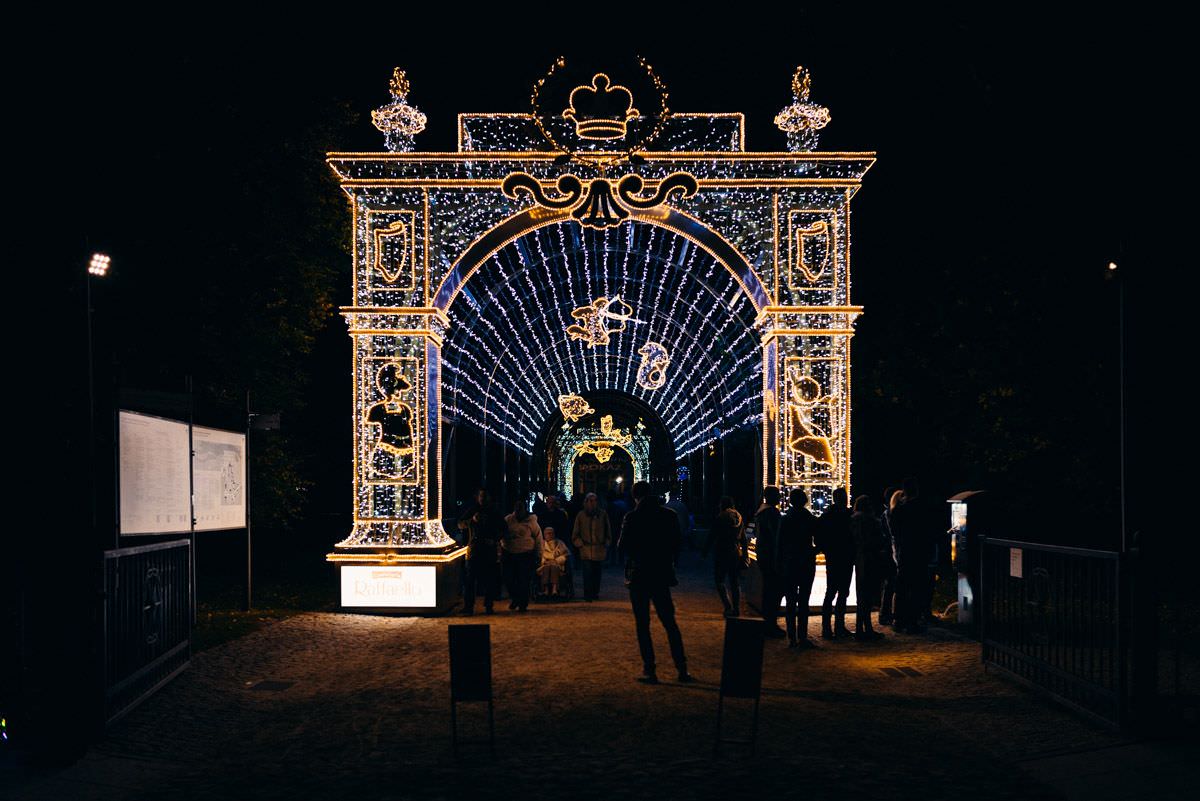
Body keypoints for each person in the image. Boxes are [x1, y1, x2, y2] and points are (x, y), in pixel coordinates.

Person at [618, 481, 694, 684]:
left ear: (635, 496)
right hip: (661, 574)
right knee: (670, 622)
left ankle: (650, 669)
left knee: (643, 625)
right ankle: (682, 668)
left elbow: (622, 546)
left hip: (640, 575)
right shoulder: (668, 515)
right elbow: (677, 543)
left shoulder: (632, 517)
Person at [890, 477, 936, 633]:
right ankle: (912, 621)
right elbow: (929, 531)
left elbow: (894, 531)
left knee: (902, 587)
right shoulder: (920, 508)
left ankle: (898, 620)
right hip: (919, 552)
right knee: (916, 587)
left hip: (904, 551)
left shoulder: (899, 509)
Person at [778, 488, 819, 648]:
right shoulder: (810, 518)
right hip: (806, 562)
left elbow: (779, 543)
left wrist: (779, 562)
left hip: (790, 563)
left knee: (790, 602)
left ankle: (791, 637)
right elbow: (820, 539)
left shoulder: (786, 518)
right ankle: (802, 636)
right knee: (804, 601)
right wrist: (814, 551)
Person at [457, 490, 503, 615]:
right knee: (470, 580)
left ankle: (488, 605)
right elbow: (460, 524)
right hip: (475, 548)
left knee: (488, 579)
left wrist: (494, 540)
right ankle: (470, 606)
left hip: (486, 549)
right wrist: (471, 520)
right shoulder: (472, 510)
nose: (482, 498)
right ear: (477, 497)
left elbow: (503, 528)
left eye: (484, 496)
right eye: (481, 496)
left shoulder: (494, 511)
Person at [817, 487, 854, 639]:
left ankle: (828, 628)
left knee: (832, 592)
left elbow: (819, 537)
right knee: (841, 592)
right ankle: (838, 627)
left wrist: (825, 549)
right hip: (844, 557)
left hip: (834, 557)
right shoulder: (848, 515)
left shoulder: (827, 515)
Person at [703, 496, 747, 617]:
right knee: (735, 581)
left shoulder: (720, 517)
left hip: (722, 552)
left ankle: (728, 606)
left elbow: (712, 535)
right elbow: (743, 539)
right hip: (736, 552)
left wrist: (705, 551)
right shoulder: (739, 517)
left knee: (719, 580)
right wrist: (745, 555)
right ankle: (737, 608)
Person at [851, 494, 885, 639]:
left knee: (861, 594)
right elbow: (879, 540)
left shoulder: (853, 519)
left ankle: (860, 629)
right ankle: (868, 628)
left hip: (859, 558)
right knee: (868, 594)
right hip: (871, 558)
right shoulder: (872, 521)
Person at [754, 487, 786, 638]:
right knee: (774, 592)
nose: (780, 497)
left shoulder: (761, 511)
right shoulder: (772, 513)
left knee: (769, 590)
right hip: (771, 558)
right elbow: (777, 537)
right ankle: (770, 624)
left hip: (764, 556)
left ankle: (768, 623)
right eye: (778, 495)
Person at [571, 492, 612, 601]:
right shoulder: (581, 515)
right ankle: (588, 594)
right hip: (586, 548)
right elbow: (575, 533)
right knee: (587, 573)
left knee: (597, 573)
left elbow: (608, 530)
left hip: (599, 548)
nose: (592, 503)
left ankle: (595, 592)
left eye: (594, 501)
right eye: (589, 500)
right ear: (586, 502)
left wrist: (607, 542)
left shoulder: (602, 514)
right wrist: (579, 543)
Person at [503, 500, 541, 612]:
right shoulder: (508, 520)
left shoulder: (531, 522)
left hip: (525, 554)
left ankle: (522, 603)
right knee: (509, 579)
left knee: (523, 580)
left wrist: (539, 554)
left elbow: (538, 538)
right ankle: (515, 598)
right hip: (509, 553)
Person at [878, 487, 903, 626]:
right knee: (891, 583)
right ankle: (887, 613)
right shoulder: (889, 514)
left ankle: (886, 613)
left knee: (890, 583)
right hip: (891, 552)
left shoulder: (887, 514)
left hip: (889, 551)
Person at [537, 527, 570, 598]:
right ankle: (545, 590)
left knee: (554, 567)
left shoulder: (560, 543)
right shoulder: (542, 544)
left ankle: (554, 589)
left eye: (550, 533)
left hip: (557, 564)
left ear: (554, 534)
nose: (548, 535)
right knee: (547, 568)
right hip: (545, 564)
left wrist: (556, 560)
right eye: (546, 534)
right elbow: (539, 555)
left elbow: (566, 555)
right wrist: (544, 561)